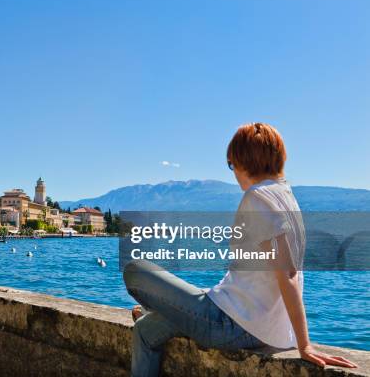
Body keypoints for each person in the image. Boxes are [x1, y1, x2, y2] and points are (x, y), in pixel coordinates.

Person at [124, 122, 357, 377]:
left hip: (230, 325)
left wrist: (305, 345)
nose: (233, 172)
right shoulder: (286, 197)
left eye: (231, 164)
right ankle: (154, 311)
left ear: (244, 161)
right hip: (268, 329)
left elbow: (287, 274)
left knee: (135, 270)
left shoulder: (258, 198)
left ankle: (155, 306)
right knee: (146, 330)